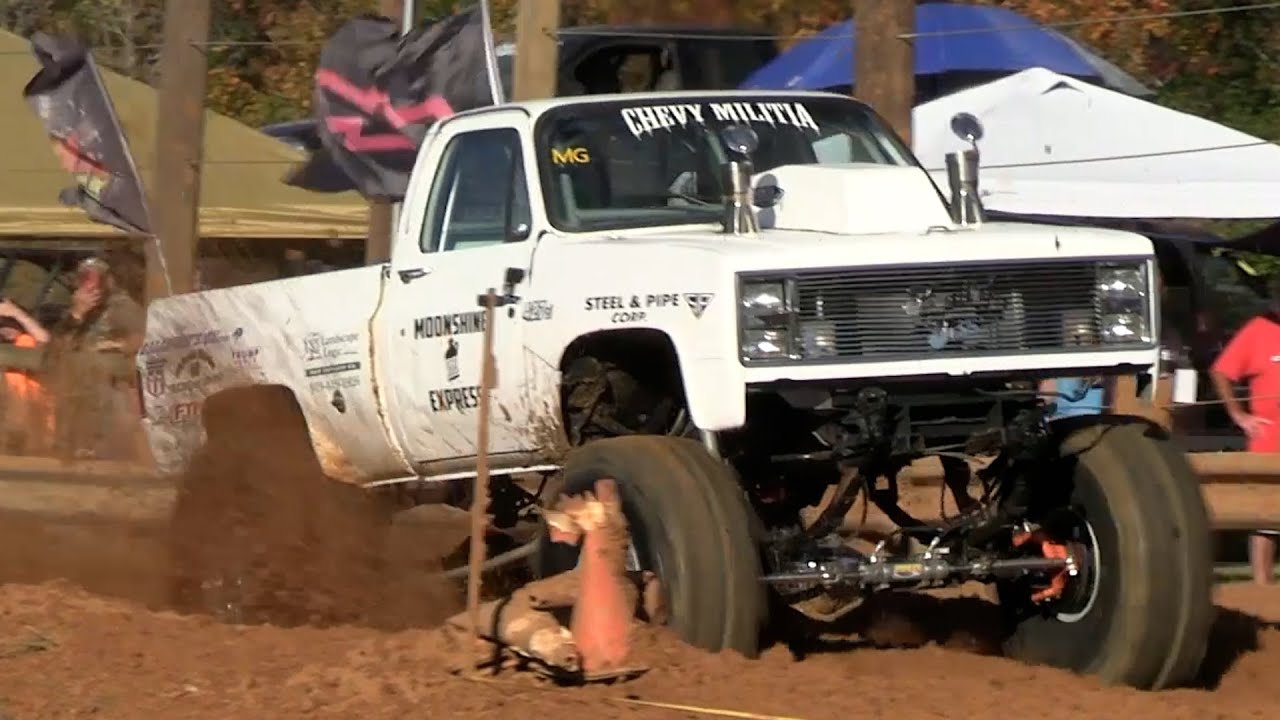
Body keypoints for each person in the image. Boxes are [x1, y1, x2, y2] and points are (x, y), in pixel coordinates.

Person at [1210, 273, 1280, 585]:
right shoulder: (1259, 329)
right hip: (1269, 438)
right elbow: (1221, 371)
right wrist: (1238, 414)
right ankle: (1261, 587)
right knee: (1266, 517)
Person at [47, 257, 146, 460]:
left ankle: (99, 447)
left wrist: (112, 346)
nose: (89, 285)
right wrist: (77, 314)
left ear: (107, 281)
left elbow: (142, 339)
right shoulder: (77, 308)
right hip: (78, 377)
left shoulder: (122, 306)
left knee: (96, 373)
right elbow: (56, 345)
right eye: (84, 278)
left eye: (95, 278)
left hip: (114, 375)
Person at [0, 297, 52, 453]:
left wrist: (15, 313)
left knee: (26, 341)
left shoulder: (26, 337)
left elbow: (45, 340)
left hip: (30, 414)